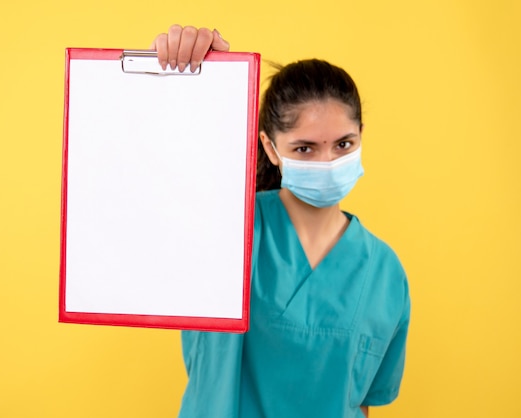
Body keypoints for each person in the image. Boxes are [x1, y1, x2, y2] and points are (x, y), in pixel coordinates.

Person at [152, 25, 411, 418]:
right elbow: (159, 176)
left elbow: (361, 402)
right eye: (305, 148)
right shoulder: (223, 230)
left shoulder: (386, 272)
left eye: (343, 144)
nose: (327, 163)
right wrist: (194, 76)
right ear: (271, 149)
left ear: (361, 136)